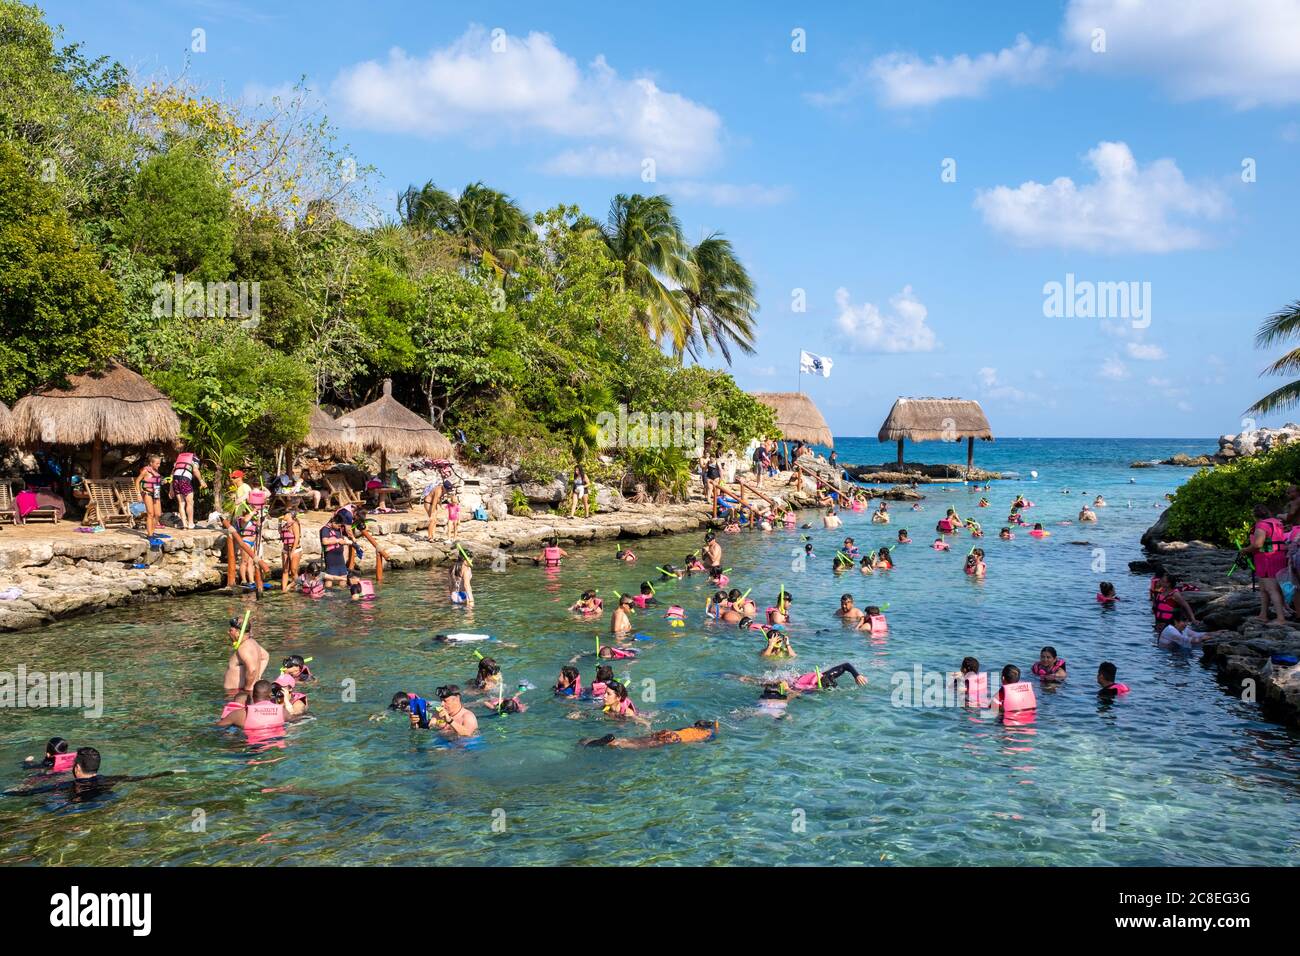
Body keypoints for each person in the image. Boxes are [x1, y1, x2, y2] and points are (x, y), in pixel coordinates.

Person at [1245, 504, 1289, 624]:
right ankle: (1263, 614)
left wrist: (1244, 550)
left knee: (1271, 588)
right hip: (1279, 556)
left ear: (1255, 515)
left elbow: (1258, 544)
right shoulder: (1277, 522)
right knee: (1264, 588)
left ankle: (1281, 618)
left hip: (1267, 558)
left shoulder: (1262, 525)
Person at [582, 720, 718, 748]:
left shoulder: (689, 728)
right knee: (640, 744)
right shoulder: (707, 734)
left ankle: (591, 740)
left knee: (638, 739)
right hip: (673, 739)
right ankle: (612, 743)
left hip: (668, 733)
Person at [223, 616, 269, 695]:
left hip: (237, 694)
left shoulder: (244, 648)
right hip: (238, 692)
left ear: (238, 632)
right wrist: (257, 677)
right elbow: (265, 656)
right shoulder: (252, 642)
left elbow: (252, 669)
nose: (228, 632)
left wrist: (247, 689)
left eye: (231, 630)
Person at [170, 449, 207, 530]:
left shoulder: (178, 462)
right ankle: (190, 524)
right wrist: (201, 481)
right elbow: (195, 470)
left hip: (175, 480)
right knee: (190, 502)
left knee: (181, 503)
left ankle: (184, 524)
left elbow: (172, 475)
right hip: (185, 480)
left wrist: (171, 489)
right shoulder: (193, 460)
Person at [134, 453, 166, 538]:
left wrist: (162, 481)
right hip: (147, 493)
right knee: (150, 514)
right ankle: (150, 534)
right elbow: (137, 481)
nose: (159, 465)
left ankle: (152, 531)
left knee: (158, 514)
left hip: (156, 493)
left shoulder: (156, 471)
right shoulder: (145, 471)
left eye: (159, 463)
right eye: (157, 463)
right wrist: (138, 494)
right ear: (151, 463)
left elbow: (155, 481)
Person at [279, 509, 303, 591]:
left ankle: (297, 587)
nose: (283, 515)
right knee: (285, 570)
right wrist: (279, 523)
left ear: (289, 514)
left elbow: (296, 538)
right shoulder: (285, 525)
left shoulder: (294, 524)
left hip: (295, 549)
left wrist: (292, 551)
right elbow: (280, 533)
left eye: (284, 514)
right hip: (285, 549)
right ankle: (284, 589)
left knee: (293, 570)